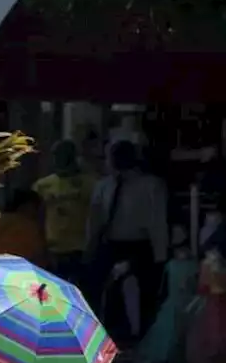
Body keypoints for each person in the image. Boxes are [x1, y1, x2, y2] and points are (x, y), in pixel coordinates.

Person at [85, 141, 169, 344]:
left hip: (140, 246)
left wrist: (160, 257)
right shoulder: (104, 186)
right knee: (109, 296)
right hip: (111, 244)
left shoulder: (151, 185)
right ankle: (109, 338)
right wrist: (90, 248)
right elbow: (94, 220)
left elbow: (158, 221)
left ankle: (139, 338)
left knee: (143, 297)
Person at [33, 140, 96, 281]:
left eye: (64, 154)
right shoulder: (42, 185)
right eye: (56, 155)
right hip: (52, 248)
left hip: (80, 247)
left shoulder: (90, 184)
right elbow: (36, 216)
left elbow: (96, 216)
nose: (60, 158)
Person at [0, 189, 48, 266]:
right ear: (28, 206)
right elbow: (39, 257)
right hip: (16, 270)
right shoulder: (29, 227)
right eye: (37, 207)